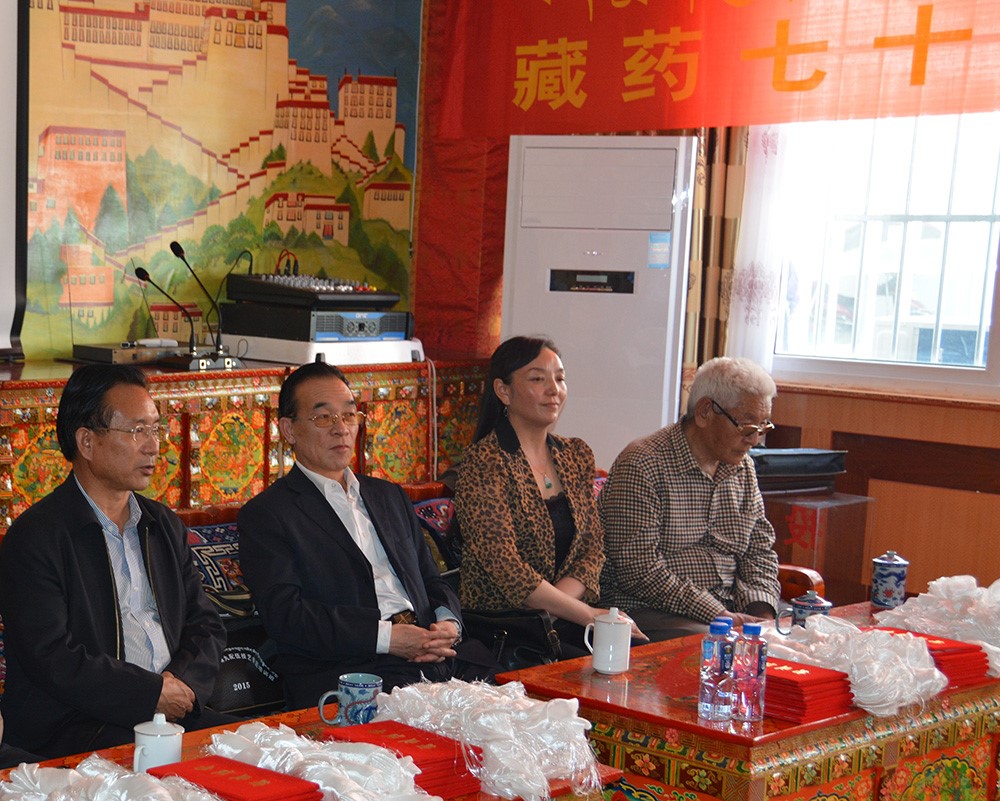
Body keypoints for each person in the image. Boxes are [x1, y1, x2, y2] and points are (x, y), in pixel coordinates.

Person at [0, 365, 229, 759]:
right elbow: (52, 657)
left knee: (260, 755)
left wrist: (182, 686)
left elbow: (205, 623)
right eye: (137, 431)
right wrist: (149, 694)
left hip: (169, 713)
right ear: (87, 442)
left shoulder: (162, 524)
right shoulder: (37, 536)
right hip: (77, 727)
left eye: (156, 429)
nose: (153, 446)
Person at [238, 361, 490, 709]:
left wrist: (448, 622)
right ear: (289, 429)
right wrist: (387, 638)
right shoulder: (268, 515)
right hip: (355, 673)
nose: (341, 429)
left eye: (349, 415)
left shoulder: (389, 496)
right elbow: (288, 618)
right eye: (323, 417)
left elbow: (431, 579)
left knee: (525, 712)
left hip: (437, 658)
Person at [455, 336, 646, 657]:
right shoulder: (484, 462)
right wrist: (588, 615)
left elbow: (592, 549)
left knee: (639, 655)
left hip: (562, 618)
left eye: (559, 378)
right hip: (507, 629)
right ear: (503, 391)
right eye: (537, 379)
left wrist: (559, 610)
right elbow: (505, 567)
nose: (553, 389)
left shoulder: (575, 454)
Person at [599, 356, 781, 641]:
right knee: (717, 645)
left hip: (729, 611)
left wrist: (763, 616)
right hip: (648, 611)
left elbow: (759, 551)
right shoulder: (643, 463)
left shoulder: (743, 468)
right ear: (705, 412)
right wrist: (719, 615)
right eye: (747, 427)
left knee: (797, 641)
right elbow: (638, 570)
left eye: (762, 428)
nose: (754, 440)